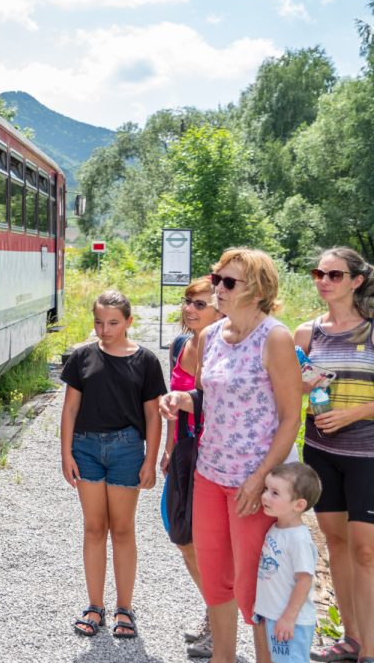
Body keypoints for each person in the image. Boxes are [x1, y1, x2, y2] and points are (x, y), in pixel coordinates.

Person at [160, 247, 302, 663]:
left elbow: (290, 418)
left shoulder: (276, 337)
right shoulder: (208, 338)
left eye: (228, 282)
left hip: (254, 483)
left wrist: (260, 480)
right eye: (216, 278)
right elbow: (212, 397)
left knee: (256, 586)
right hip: (209, 475)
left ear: (257, 291)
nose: (217, 288)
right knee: (217, 583)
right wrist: (183, 399)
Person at [60, 291, 165, 640]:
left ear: (129, 321)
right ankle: (94, 606)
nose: (105, 330)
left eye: (113, 323)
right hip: (86, 448)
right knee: (93, 528)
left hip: (126, 450)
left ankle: (124, 608)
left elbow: (153, 414)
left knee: (122, 529)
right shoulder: (81, 357)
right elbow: (70, 409)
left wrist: (151, 459)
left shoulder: (146, 360)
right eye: (99, 322)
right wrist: (66, 453)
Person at [294, 248, 374, 663]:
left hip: (367, 454)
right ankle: (351, 638)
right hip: (321, 450)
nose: (324, 280)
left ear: (356, 280)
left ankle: (370, 650)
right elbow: (292, 391)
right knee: (336, 543)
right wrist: (305, 389)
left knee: (365, 550)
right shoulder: (307, 333)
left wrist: (355, 413)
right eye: (318, 273)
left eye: (335, 274)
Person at [160, 276, 222, 659]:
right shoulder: (181, 344)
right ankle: (214, 611)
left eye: (200, 304)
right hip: (184, 448)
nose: (190, 309)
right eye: (188, 302)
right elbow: (174, 402)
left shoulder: (224, 347)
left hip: (212, 452)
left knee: (205, 542)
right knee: (182, 537)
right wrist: (167, 450)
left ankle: (218, 621)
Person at [255, 462, 323, 663]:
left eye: (275, 493)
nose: (265, 496)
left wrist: (289, 618)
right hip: (276, 617)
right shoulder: (276, 529)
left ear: (299, 505)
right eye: (266, 489)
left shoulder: (299, 539)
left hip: (293, 622)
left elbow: (304, 581)